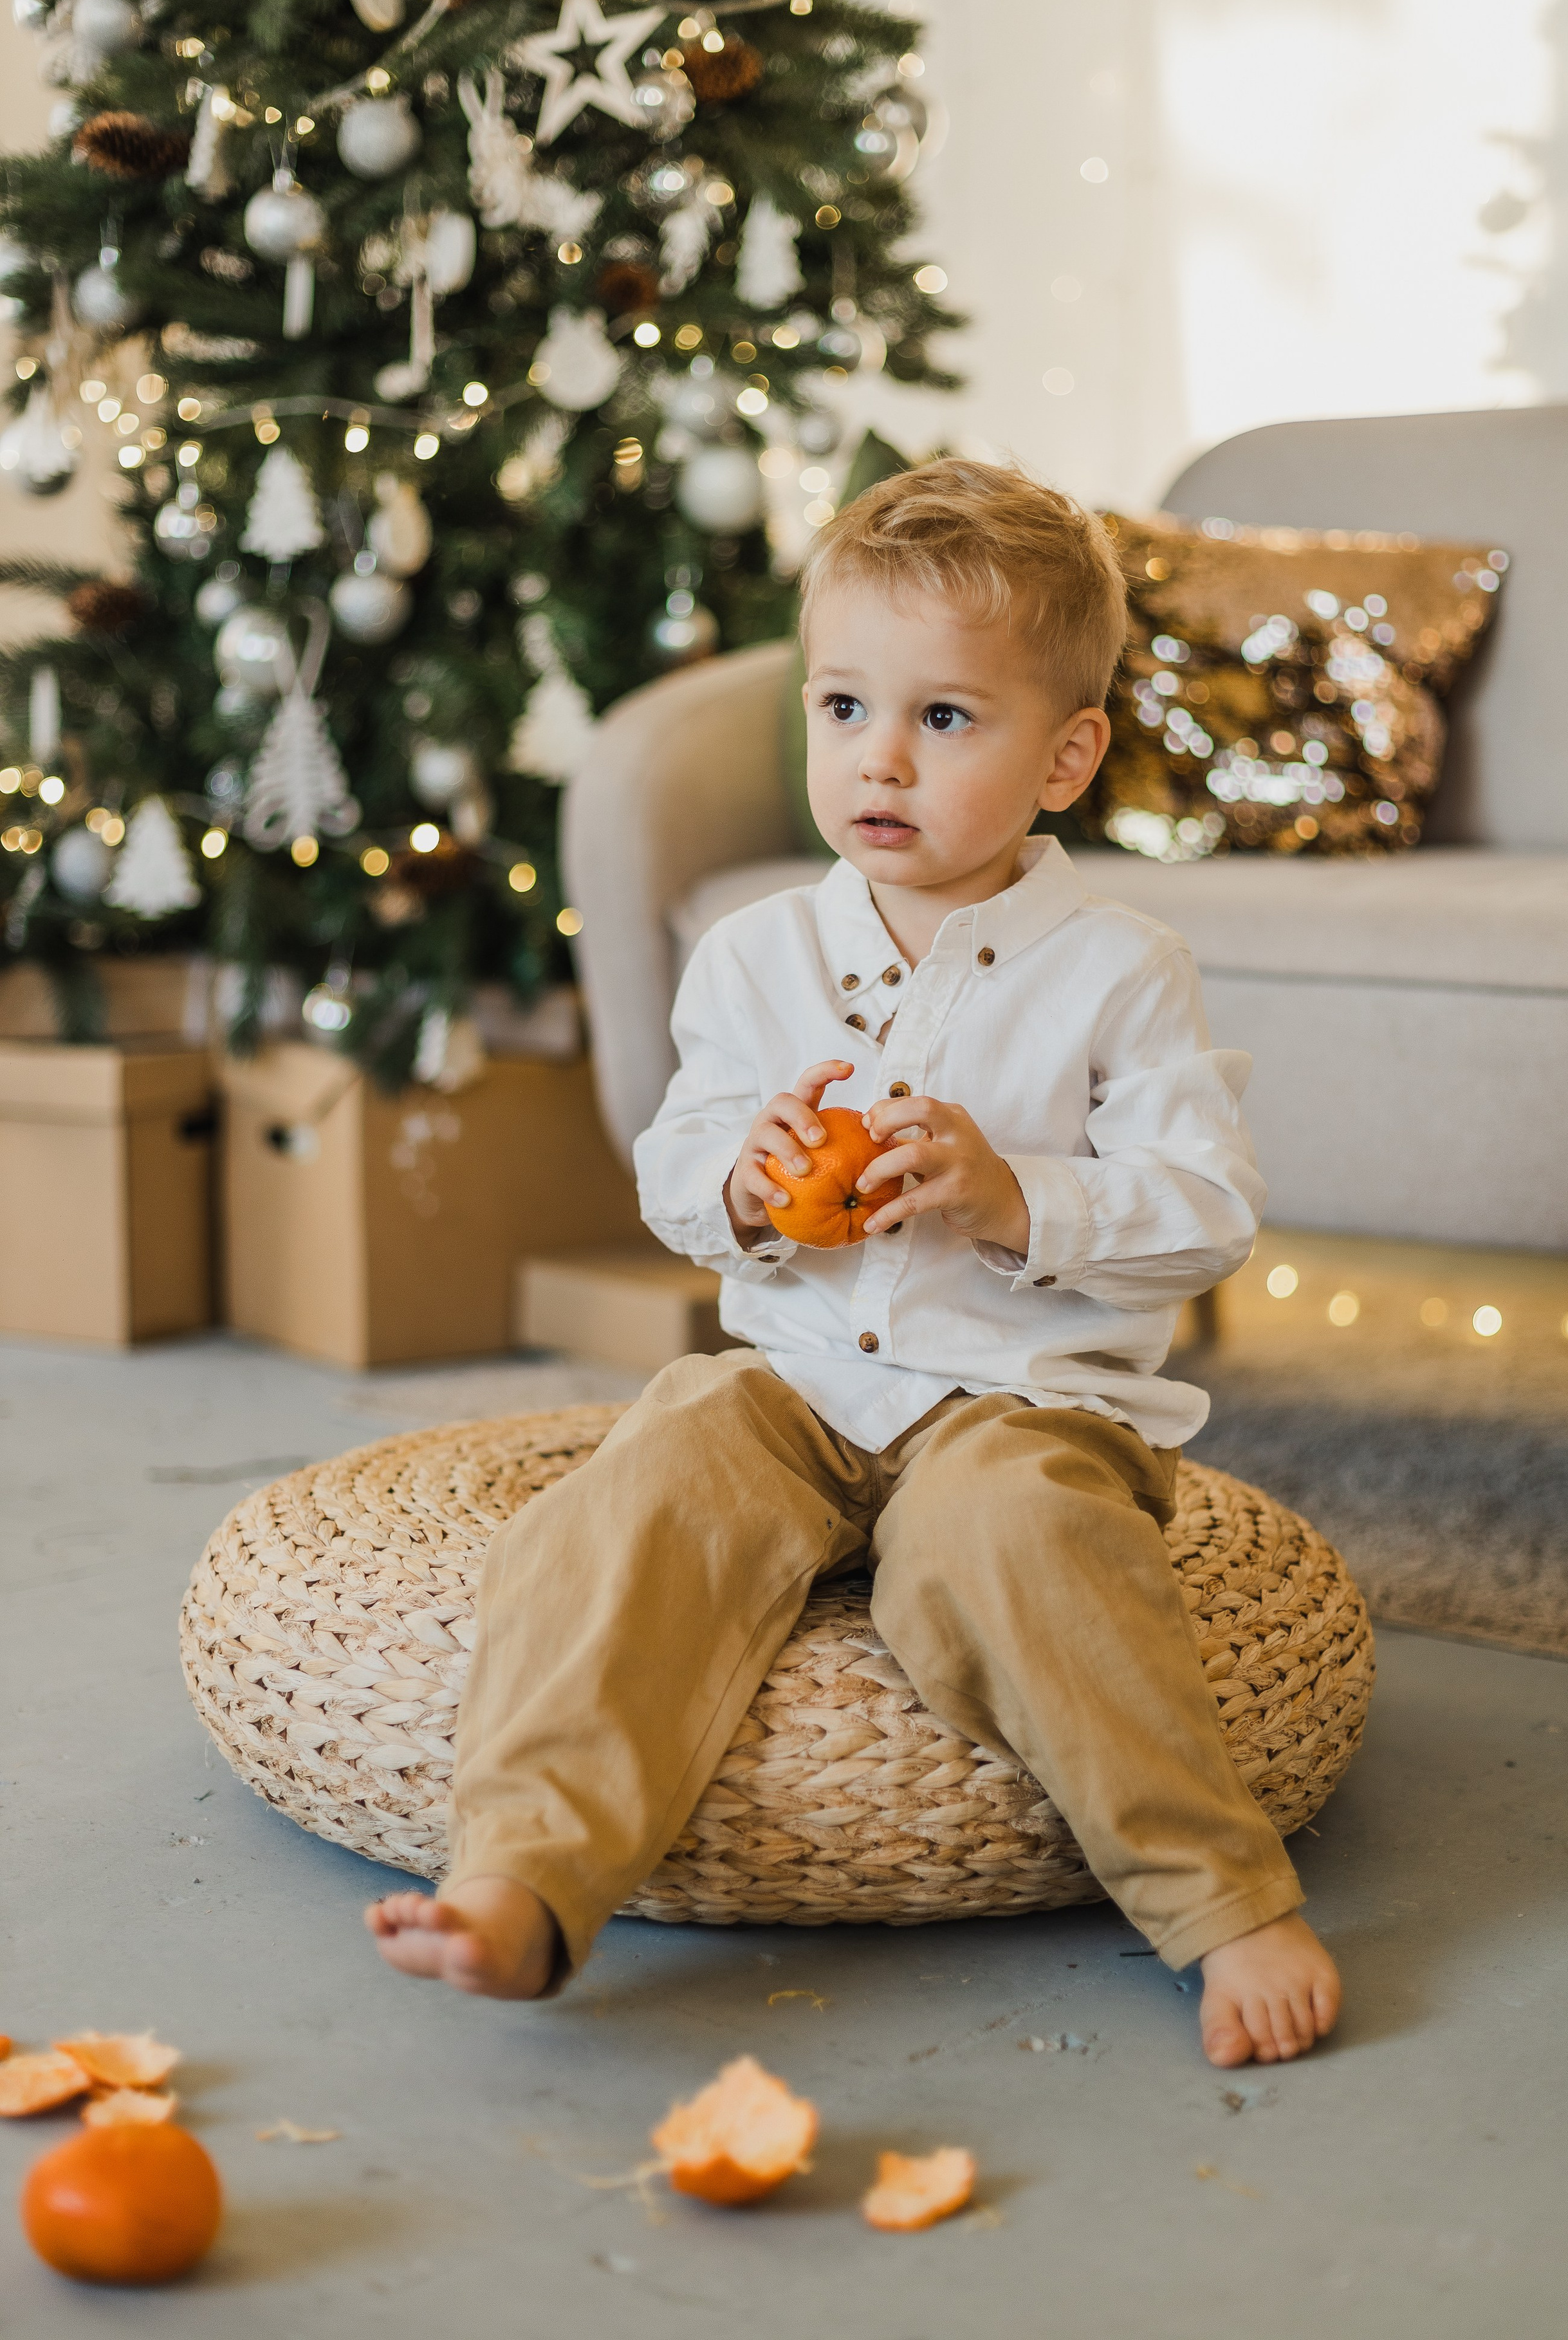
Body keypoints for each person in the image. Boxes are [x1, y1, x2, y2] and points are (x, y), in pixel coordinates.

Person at [367, 458, 1342, 2068]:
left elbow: (1203, 1208)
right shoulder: (756, 954)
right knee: (634, 1492)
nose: (876, 757)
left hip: (1019, 1396)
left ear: (1065, 756)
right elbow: (674, 1178)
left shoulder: (1115, 971)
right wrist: (743, 1184)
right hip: (796, 1379)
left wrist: (1013, 1196)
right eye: (840, 707)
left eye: (944, 720)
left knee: (1014, 1545)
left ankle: (1220, 1898)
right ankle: (525, 1876)